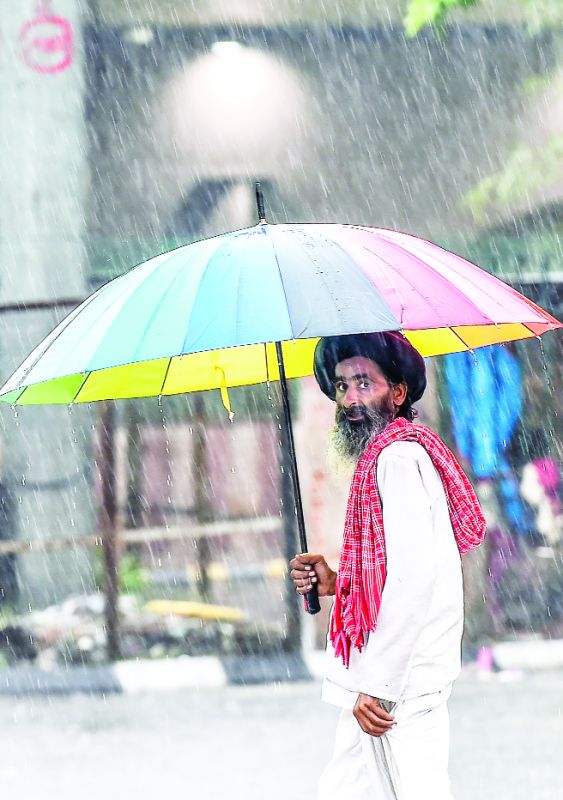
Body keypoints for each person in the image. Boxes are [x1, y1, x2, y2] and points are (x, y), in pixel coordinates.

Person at [290, 332, 486, 800]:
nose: (351, 399)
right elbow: (391, 567)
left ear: (397, 393)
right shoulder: (384, 457)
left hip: (400, 682)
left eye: (364, 383)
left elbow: (412, 581)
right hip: (383, 675)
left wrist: (378, 686)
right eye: (341, 387)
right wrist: (336, 581)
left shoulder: (397, 458)